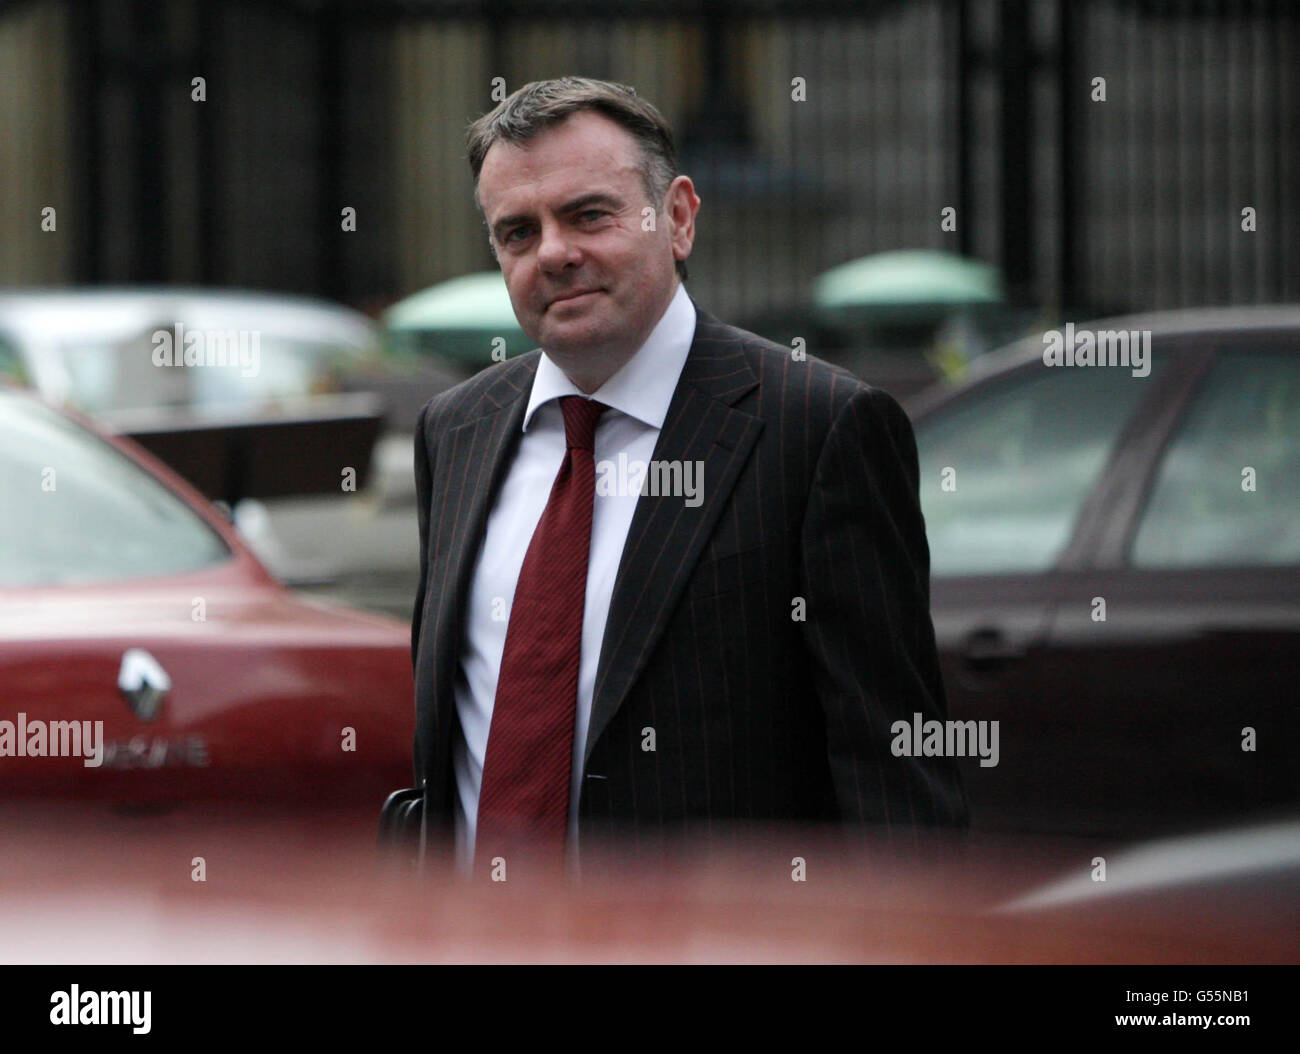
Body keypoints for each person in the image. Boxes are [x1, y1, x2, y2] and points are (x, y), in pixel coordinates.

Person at [398, 76, 968, 878]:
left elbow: (891, 774)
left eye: (588, 214)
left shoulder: (817, 427)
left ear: (677, 218)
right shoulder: (455, 431)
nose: (555, 253)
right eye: (518, 232)